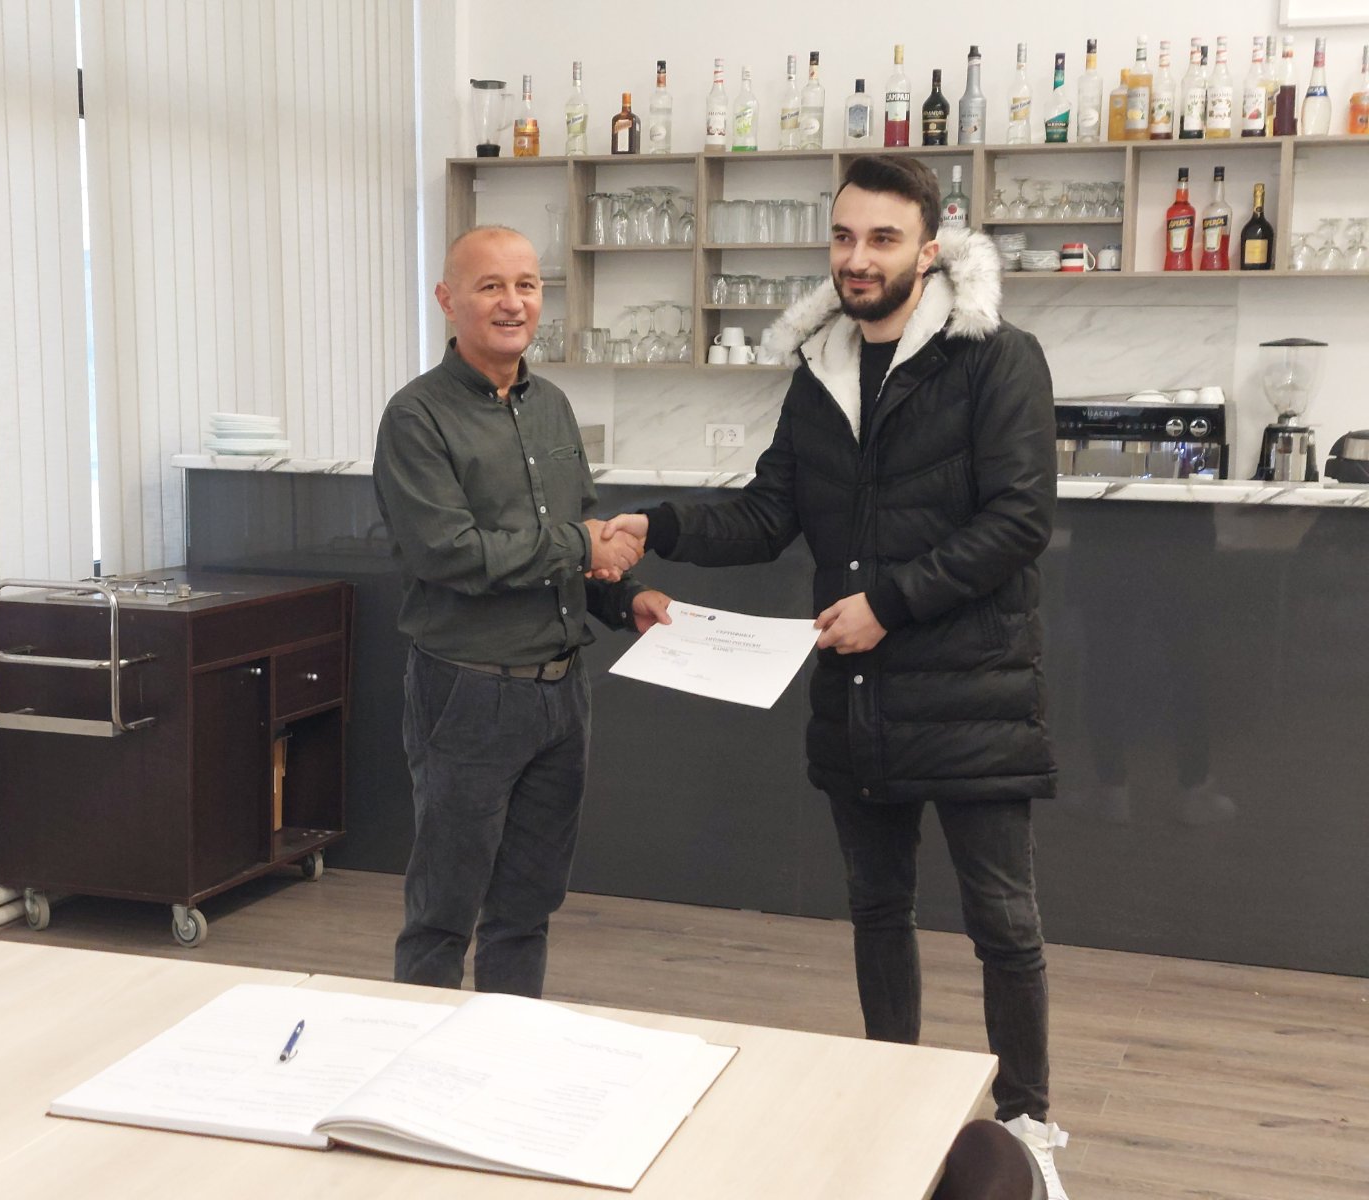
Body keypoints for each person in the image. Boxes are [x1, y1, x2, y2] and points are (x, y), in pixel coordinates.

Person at [599, 156, 1070, 1198]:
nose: (858, 258)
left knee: (1003, 925)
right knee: (877, 910)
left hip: (975, 691)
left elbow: (1019, 520)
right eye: (844, 236)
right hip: (860, 697)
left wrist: (887, 604)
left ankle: (1029, 1126)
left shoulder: (997, 357)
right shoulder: (820, 370)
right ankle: (892, 1103)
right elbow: (772, 512)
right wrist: (656, 525)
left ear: (928, 248)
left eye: (882, 239)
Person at [373, 225, 671, 999]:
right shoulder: (415, 417)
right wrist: (580, 543)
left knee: (528, 907)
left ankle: (506, 1056)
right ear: (448, 300)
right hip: (467, 694)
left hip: (562, 695)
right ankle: (418, 1061)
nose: (513, 303)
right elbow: (449, 555)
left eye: (528, 285)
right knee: (443, 912)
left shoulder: (554, 407)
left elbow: (574, 550)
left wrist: (625, 598)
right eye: (491, 286)